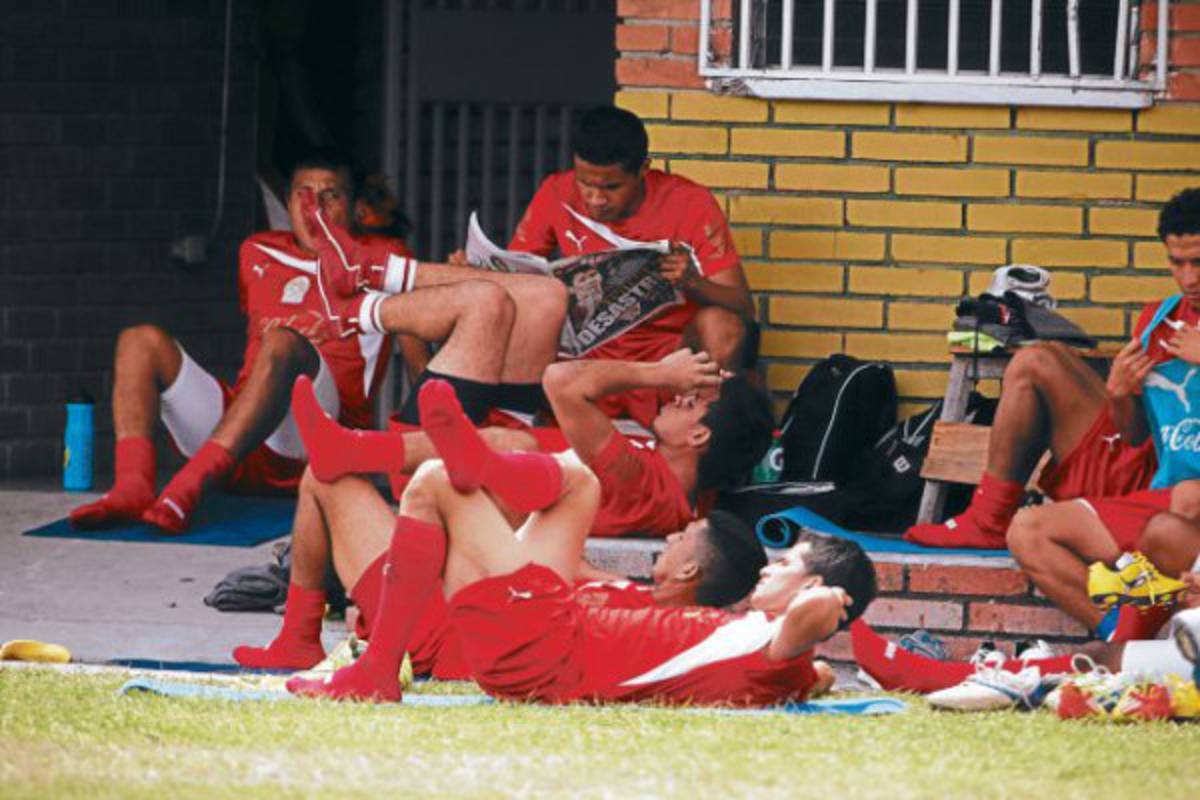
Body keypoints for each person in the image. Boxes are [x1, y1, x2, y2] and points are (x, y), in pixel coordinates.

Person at [283, 379, 876, 705]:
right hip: (541, 629)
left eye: (788, 564)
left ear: (815, 588)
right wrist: (817, 663)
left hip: (536, 644)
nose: (771, 570)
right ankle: (477, 468)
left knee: (444, 479)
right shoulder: (756, 647)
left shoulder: (776, 645)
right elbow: (809, 665)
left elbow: (801, 633)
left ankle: (378, 669)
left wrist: (818, 616)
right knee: (572, 477)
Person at [69, 155, 414, 534]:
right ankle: (132, 488)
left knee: (284, 342)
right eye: (304, 193)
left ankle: (191, 482)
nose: (315, 206)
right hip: (242, 442)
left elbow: (420, 366)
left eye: (331, 195)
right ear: (288, 204)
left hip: (320, 442)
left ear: (356, 209)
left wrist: (421, 458)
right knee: (139, 340)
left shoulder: (385, 260)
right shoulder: (257, 251)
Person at [996, 188, 1200, 637]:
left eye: (1198, 262)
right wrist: (1119, 395)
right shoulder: (1157, 321)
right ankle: (1125, 640)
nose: (1188, 278)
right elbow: (1134, 437)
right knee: (1027, 529)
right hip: (1162, 501)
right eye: (1176, 262)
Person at [505, 106, 755, 427]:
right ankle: (512, 435)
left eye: (611, 188)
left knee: (724, 325)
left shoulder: (690, 203)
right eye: (585, 183)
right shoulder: (556, 192)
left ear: (643, 170)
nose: (595, 199)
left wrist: (693, 282)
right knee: (505, 308)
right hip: (585, 358)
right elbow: (515, 273)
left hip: (667, 358)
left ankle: (698, 441)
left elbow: (743, 307)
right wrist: (476, 271)